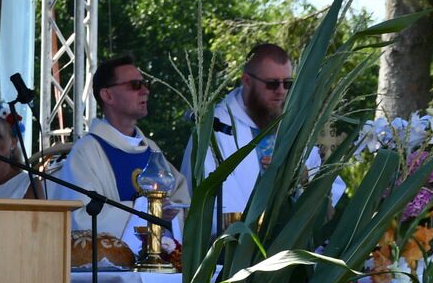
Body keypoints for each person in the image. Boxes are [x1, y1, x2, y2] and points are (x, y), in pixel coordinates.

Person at [182, 42, 340, 219]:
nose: (281, 91)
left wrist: (298, 176)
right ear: (247, 81)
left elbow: (326, 197)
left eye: (287, 83)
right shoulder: (216, 129)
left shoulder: (293, 125)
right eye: (272, 84)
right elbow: (212, 207)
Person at [61, 55, 190, 240]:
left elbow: (181, 200)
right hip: (112, 259)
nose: (145, 91)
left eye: (146, 84)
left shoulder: (151, 150)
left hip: (162, 256)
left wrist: (170, 214)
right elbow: (80, 219)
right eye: (135, 85)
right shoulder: (86, 152)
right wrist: (147, 210)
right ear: (108, 95)